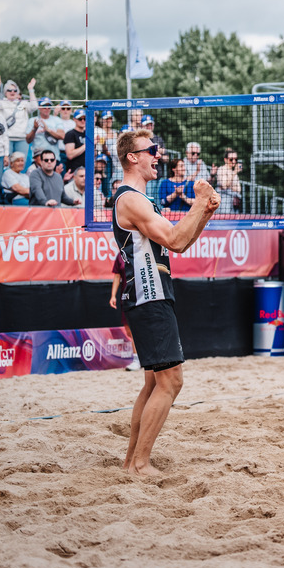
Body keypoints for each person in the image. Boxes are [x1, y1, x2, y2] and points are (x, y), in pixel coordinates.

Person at [112, 128, 220, 475]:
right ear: (133, 157)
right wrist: (199, 201)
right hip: (149, 295)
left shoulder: (141, 199)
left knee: (154, 383)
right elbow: (174, 239)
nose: (158, 155)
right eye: (151, 150)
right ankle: (140, 464)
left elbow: (181, 242)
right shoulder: (131, 199)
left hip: (152, 293)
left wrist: (204, 212)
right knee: (172, 381)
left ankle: (131, 462)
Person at [0, 74, 38, 161]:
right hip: (6, 139)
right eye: (9, 90)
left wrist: (31, 89)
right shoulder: (2, 103)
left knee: (20, 164)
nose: (12, 92)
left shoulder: (23, 103)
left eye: (15, 90)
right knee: (7, 165)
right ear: (5, 92)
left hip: (21, 139)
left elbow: (34, 106)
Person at [109, 251, 140, 372]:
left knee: (139, 328)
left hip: (141, 296)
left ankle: (138, 359)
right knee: (129, 330)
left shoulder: (140, 251)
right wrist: (113, 296)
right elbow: (117, 276)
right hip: (126, 297)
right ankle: (138, 358)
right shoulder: (121, 255)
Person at [25, 98, 66, 164]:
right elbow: (28, 140)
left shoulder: (57, 120)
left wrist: (48, 130)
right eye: (44, 106)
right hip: (38, 159)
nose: (47, 108)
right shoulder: (32, 120)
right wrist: (34, 129)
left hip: (54, 158)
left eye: (49, 106)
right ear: (39, 107)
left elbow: (62, 136)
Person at [214, 147, 242, 213]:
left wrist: (229, 186)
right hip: (223, 202)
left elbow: (239, 189)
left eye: (236, 159)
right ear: (225, 160)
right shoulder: (222, 169)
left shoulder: (234, 173)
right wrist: (235, 172)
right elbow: (224, 186)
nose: (234, 161)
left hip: (233, 203)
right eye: (231, 159)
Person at [63, 109, 87, 177]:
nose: (83, 121)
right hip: (74, 171)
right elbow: (70, 155)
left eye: (85, 119)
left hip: (87, 169)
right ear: (74, 119)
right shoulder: (70, 134)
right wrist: (86, 145)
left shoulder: (88, 134)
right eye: (80, 119)